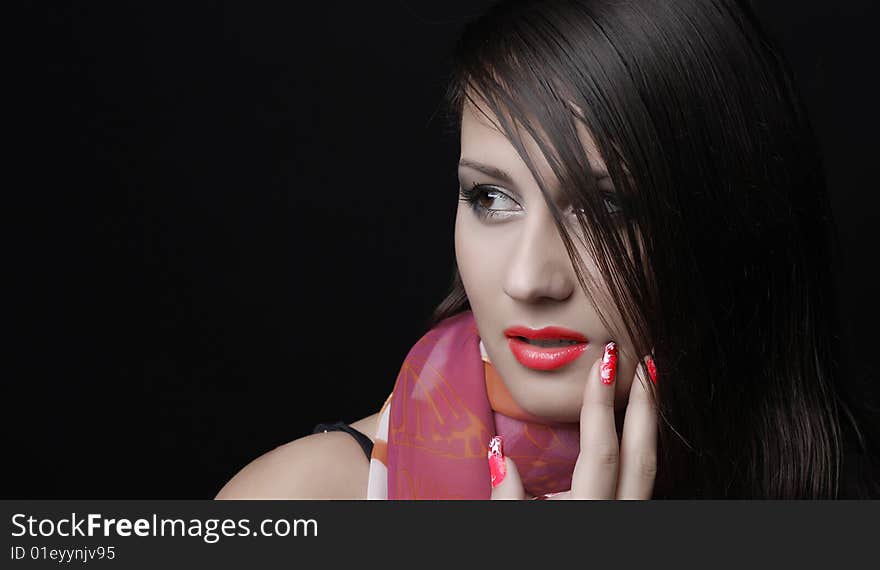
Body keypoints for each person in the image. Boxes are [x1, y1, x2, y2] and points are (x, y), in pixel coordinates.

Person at [215, 0, 879, 500]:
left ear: (730, 224)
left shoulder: (836, 488)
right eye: (492, 198)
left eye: (608, 208)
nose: (530, 279)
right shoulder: (299, 501)